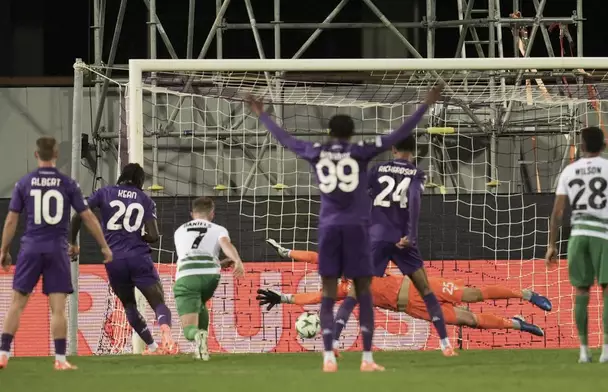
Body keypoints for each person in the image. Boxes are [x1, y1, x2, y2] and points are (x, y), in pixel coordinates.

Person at [247, 84, 443, 372]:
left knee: (328, 292)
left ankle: (328, 356)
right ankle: (366, 359)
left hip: (328, 228)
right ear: (352, 133)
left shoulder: (316, 151)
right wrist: (425, 105)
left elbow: (285, 139)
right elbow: (398, 135)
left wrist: (262, 115)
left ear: (329, 133)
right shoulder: (360, 151)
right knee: (363, 291)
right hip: (357, 229)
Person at [261, 242, 550, 350]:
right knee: (467, 320)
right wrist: (284, 298)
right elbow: (312, 298)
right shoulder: (345, 289)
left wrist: (287, 253)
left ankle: (524, 293)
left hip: (418, 287)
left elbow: (315, 256)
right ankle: (516, 323)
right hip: (414, 309)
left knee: (473, 294)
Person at [0, 137, 112, 371]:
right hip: (56, 249)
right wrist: (103, 245)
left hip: (30, 247)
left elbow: (11, 220)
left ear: (35, 154)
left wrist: (4, 250)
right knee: (58, 308)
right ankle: (60, 360)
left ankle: (3, 353)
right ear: (56, 154)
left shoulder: (24, 183)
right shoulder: (68, 183)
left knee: (17, 304)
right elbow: (87, 216)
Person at [340, 135, 455, 356]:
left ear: (393, 149)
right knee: (426, 291)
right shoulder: (417, 174)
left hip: (377, 237)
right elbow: (414, 203)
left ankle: (333, 342)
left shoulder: (377, 170)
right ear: (414, 151)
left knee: (355, 292)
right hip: (404, 240)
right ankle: (445, 344)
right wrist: (410, 235)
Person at [546, 126, 608, 364]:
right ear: (604, 146)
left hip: (578, 235)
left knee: (582, 291)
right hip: (603, 235)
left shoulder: (569, 171)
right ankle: (606, 351)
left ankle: (584, 351)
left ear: (582, 147)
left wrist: (551, 245)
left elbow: (557, 211)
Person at [69, 163, 175, 355]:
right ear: (140, 181)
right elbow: (153, 235)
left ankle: (152, 347)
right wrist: (141, 237)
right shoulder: (145, 200)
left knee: (129, 305)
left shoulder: (104, 192)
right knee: (158, 301)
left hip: (114, 259)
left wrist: (73, 243)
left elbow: (78, 215)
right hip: (138, 257)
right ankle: (166, 336)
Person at [172, 197, 244, 361]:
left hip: (187, 278)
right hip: (211, 278)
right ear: (212, 213)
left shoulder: (179, 230)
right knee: (201, 304)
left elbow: (192, 256)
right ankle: (202, 348)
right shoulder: (218, 229)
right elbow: (225, 244)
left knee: (188, 329)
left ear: (192, 213)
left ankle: (196, 335)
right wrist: (237, 260)